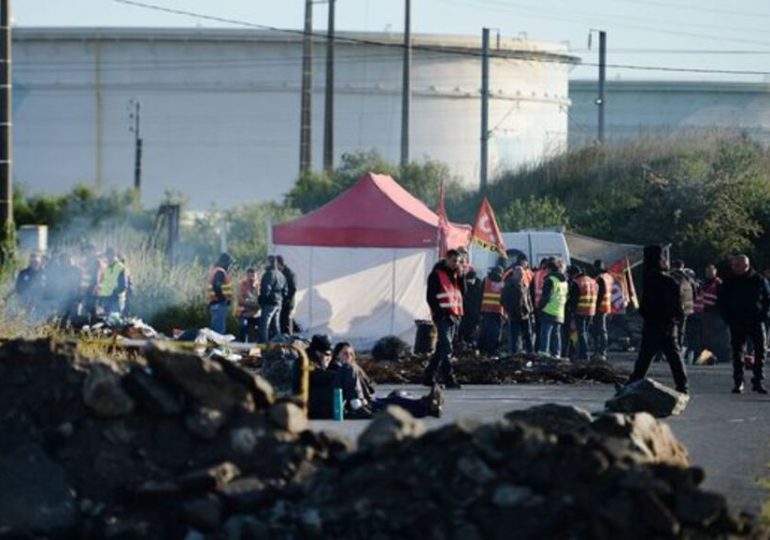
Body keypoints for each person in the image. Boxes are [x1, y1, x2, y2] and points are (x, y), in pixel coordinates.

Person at [626, 245, 688, 394]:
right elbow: (677, 306)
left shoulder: (651, 279)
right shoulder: (666, 280)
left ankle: (633, 384)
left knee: (647, 356)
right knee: (671, 356)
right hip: (665, 323)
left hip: (657, 323)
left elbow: (649, 303)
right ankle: (682, 386)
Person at [717, 254, 770, 394]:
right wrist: (728, 318)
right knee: (737, 352)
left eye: (737, 265)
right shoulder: (728, 282)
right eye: (733, 265)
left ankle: (758, 380)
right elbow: (721, 302)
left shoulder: (759, 280)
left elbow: (767, 299)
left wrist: (764, 316)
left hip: (755, 320)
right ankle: (738, 381)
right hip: (736, 321)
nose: (734, 268)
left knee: (760, 351)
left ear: (746, 265)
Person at [423, 249, 464, 388]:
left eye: (458, 262)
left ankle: (429, 374)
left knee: (441, 348)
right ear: (446, 259)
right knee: (447, 348)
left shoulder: (456, 275)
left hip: (454, 315)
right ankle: (449, 378)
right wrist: (440, 314)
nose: (456, 264)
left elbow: (463, 293)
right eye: (453, 261)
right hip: (443, 316)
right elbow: (431, 297)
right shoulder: (436, 275)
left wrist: (461, 276)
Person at [537, 259, 568, 357]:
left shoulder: (550, 280)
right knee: (556, 334)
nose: (545, 271)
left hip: (548, 310)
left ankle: (544, 353)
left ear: (550, 269)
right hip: (559, 312)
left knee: (545, 333)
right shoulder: (564, 282)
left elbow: (546, 296)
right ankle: (556, 355)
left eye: (547, 269)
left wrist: (539, 307)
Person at [501, 265, 534, 354]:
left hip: (525, 314)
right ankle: (513, 353)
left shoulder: (524, 285)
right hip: (514, 314)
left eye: (522, 274)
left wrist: (530, 309)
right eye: (519, 274)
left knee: (528, 335)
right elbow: (503, 300)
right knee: (514, 336)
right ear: (515, 274)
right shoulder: (508, 286)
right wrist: (510, 310)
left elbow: (528, 298)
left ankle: (530, 352)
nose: (521, 276)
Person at [699, 264, 728, 363]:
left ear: (715, 271)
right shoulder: (703, 283)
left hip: (716, 313)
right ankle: (706, 358)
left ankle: (718, 358)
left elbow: (722, 298)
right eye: (707, 271)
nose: (709, 273)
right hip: (705, 313)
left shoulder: (718, 283)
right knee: (706, 338)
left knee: (716, 338)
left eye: (711, 271)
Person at [569, 265, 598, 361]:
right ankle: (585, 352)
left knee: (581, 333)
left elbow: (574, 299)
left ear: (574, 274)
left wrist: (572, 311)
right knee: (585, 332)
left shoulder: (577, 282)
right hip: (591, 310)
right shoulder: (592, 281)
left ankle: (584, 354)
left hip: (580, 311)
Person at [44, 252, 82, 324]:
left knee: (74, 318)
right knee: (60, 318)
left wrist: (78, 297)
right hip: (60, 299)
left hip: (73, 298)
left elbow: (79, 284)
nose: (66, 262)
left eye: (68, 260)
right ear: (61, 261)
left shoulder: (76, 270)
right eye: (63, 260)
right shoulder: (57, 271)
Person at [259, 255, 288, 343]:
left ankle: (264, 344)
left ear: (270, 262)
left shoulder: (269, 274)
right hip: (279, 301)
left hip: (269, 302)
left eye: (266, 262)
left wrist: (262, 300)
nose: (265, 263)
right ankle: (279, 344)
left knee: (265, 324)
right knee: (276, 325)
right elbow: (285, 291)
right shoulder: (281, 275)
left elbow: (266, 289)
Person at [670, 259, 696, 353]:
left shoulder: (671, 277)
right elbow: (695, 292)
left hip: (674, 307)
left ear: (673, 267)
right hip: (687, 308)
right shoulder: (689, 278)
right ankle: (679, 348)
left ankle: (671, 349)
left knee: (671, 329)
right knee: (682, 329)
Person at [478, 266, 505, 356]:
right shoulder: (503, 282)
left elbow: (479, 294)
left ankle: (482, 349)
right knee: (495, 332)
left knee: (484, 330)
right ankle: (492, 350)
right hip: (498, 311)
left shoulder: (486, 280)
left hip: (486, 309)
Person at [592, 260, 615, 360]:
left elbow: (599, 295)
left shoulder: (600, 278)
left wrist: (595, 307)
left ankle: (601, 352)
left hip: (600, 307)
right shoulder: (608, 277)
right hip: (607, 306)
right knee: (602, 330)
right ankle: (602, 351)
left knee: (600, 330)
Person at [207, 252, 234, 334]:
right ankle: (218, 347)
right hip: (219, 304)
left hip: (214, 303)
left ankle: (214, 346)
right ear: (225, 263)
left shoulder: (215, 270)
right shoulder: (220, 271)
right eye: (229, 263)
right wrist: (223, 300)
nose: (229, 266)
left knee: (214, 330)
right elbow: (217, 286)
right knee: (219, 331)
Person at [96, 247, 128, 317]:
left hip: (115, 300)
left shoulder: (120, 267)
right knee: (106, 322)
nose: (107, 258)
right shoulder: (107, 268)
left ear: (113, 255)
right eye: (106, 256)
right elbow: (105, 283)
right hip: (105, 299)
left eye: (109, 256)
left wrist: (115, 293)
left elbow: (123, 286)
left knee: (115, 322)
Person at [458, 268, 482, 347]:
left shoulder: (479, 286)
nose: (469, 282)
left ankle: (470, 343)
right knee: (464, 328)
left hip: (474, 312)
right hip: (465, 311)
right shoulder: (465, 284)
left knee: (472, 329)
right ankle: (463, 342)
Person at [15, 252, 45, 316]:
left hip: (41, 303)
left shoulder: (45, 273)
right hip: (25, 302)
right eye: (32, 262)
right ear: (29, 262)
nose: (34, 264)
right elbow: (18, 287)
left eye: (36, 262)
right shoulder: (23, 273)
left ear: (40, 262)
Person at [79, 243, 103, 323]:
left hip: (93, 291)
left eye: (89, 251)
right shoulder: (87, 262)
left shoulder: (96, 262)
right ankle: (89, 326)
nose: (87, 253)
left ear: (93, 252)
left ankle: (94, 327)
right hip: (86, 291)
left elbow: (96, 279)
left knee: (93, 310)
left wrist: (90, 289)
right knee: (87, 309)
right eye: (86, 251)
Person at [236, 267, 260, 342]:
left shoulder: (259, 286)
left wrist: (248, 303)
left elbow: (259, 303)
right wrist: (252, 304)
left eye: (253, 277)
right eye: (249, 276)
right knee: (243, 325)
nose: (251, 279)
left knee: (262, 327)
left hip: (256, 314)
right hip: (244, 313)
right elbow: (240, 300)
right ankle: (242, 344)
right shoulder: (242, 285)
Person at [276, 255, 297, 335]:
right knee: (282, 321)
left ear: (279, 263)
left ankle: (287, 338)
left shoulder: (289, 273)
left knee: (285, 321)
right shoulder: (282, 272)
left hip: (287, 302)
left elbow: (293, 288)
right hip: (283, 301)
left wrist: (286, 299)